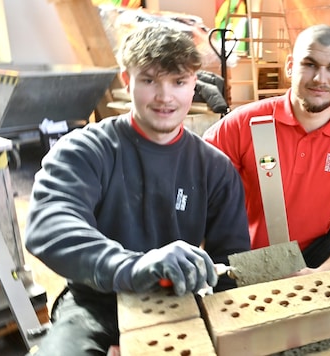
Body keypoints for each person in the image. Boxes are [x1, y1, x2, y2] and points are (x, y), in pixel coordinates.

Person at [24, 24, 250, 355]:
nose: (165, 97)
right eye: (149, 80)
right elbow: (49, 227)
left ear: (194, 86)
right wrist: (134, 266)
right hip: (97, 303)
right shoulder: (85, 150)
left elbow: (230, 264)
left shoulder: (215, 168)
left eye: (178, 82)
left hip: (180, 303)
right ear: (127, 80)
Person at [203, 24, 330, 273]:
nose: (320, 78)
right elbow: (196, 194)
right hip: (243, 260)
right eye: (309, 64)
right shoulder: (242, 124)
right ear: (290, 65)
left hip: (315, 257)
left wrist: (324, 273)